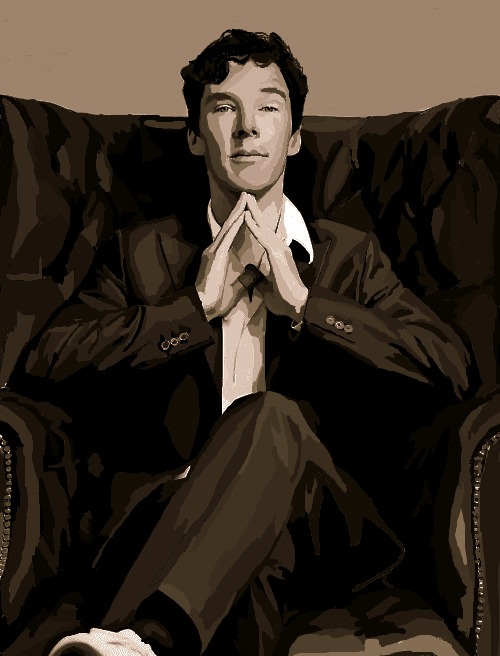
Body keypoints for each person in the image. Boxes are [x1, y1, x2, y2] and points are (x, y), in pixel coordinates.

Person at [6, 29, 477, 656]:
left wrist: (307, 306)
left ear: (295, 136)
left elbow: (451, 367)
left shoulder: (350, 258)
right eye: (224, 107)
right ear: (196, 136)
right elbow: (44, 363)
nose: (247, 127)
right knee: (246, 576)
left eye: (268, 107)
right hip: (170, 515)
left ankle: (133, 635)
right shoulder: (141, 253)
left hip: (324, 524)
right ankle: (150, 641)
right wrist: (194, 308)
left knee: (270, 417)